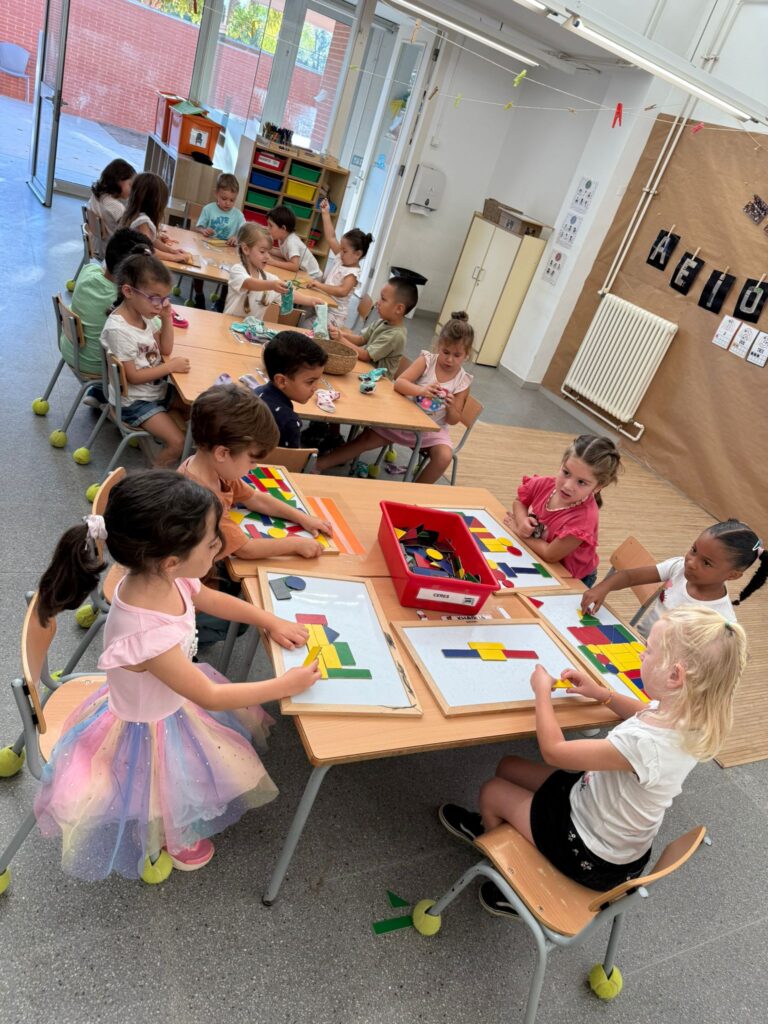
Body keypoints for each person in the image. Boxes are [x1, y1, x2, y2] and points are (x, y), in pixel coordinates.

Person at [33, 471, 320, 881]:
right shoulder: (149, 634)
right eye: (212, 541)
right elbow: (210, 696)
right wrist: (285, 686)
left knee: (185, 775)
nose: (219, 545)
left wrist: (268, 620)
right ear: (171, 560)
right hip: (147, 727)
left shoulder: (165, 576)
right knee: (162, 788)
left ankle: (172, 826)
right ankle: (171, 836)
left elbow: (208, 597)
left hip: (168, 703)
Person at [438, 607, 747, 916]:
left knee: (492, 791)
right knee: (508, 765)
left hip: (590, 853)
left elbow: (554, 750)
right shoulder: (688, 713)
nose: (642, 654)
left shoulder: (645, 745)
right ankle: (502, 825)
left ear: (675, 675)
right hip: (601, 816)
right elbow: (642, 711)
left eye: (649, 649)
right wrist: (601, 694)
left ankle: (508, 878)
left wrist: (541, 692)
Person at [179, 382, 331, 560]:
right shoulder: (203, 502)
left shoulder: (215, 469)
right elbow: (246, 550)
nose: (254, 467)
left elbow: (255, 499)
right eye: (251, 460)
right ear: (222, 453)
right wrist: (296, 544)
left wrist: (302, 518)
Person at [316, 312, 474, 483]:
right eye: (446, 352)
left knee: (444, 456)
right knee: (366, 439)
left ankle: (413, 493)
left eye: (457, 355)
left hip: (432, 430)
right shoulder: (427, 361)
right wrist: (421, 390)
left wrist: (451, 407)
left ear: (466, 355)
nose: (449, 359)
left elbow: (453, 420)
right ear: (438, 346)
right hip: (404, 419)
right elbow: (400, 384)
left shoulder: (463, 381)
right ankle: (319, 465)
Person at [581, 519, 768, 637]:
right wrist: (603, 588)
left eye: (706, 563)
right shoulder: (678, 567)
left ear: (733, 575)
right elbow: (629, 576)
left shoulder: (721, 621)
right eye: (694, 550)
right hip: (637, 643)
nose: (691, 562)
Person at [101, 251, 189, 467]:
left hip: (154, 391)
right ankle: (153, 479)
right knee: (178, 442)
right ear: (128, 291)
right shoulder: (119, 330)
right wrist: (170, 367)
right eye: (155, 298)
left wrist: (166, 319)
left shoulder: (143, 316)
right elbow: (133, 376)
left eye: (165, 299)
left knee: (198, 410)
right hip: (134, 402)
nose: (160, 305)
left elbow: (166, 348)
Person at [504, 434, 622, 587]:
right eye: (566, 473)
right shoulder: (545, 484)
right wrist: (521, 521)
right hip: (537, 556)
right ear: (562, 464)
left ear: (598, 487)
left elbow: (550, 555)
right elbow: (520, 501)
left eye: (581, 482)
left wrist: (518, 530)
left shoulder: (584, 519)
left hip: (571, 577)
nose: (567, 486)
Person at [62, 228, 152, 403]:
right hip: (100, 366)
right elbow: (158, 331)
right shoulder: (129, 303)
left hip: (71, 350)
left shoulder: (88, 271)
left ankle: (99, 393)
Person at [330, 277, 416, 380]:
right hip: (366, 372)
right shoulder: (382, 321)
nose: (378, 302)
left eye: (383, 299)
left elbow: (365, 356)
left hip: (378, 382)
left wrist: (340, 339)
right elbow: (361, 339)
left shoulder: (395, 335)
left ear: (399, 309)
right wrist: (341, 334)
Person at [256, 332, 328, 449]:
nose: (316, 387)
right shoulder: (289, 422)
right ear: (281, 381)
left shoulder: (256, 392)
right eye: (310, 382)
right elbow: (292, 458)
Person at [307, 199, 371, 327]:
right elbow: (331, 237)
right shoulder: (342, 258)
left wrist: (319, 285)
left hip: (334, 316)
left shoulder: (352, 273)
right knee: (301, 310)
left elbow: (342, 291)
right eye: (341, 249)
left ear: (357, 254)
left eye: (344, 250)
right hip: (324, 305)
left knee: (306, 325)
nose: (340, 253)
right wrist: (325, 213)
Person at [190, 172, 245, 310]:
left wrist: (237, 237)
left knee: (231, 274)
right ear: (216, 194)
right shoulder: (208, 209)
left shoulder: (238, 215)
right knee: (198, 269)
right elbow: (197, 227)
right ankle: (199, 296)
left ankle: (221, 301)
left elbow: (245, 232)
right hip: (207, 250)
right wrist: (203, 230)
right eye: (224, 198)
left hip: (227, 254)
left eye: (232, 200)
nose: (228, 203)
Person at [120, 172, 190, 261]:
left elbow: (153, 241)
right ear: (156, 201)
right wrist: (174, 257)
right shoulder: (143, 221)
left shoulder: (136, 215)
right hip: (125, 266)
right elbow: (146, 249)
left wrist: (172, 251)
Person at [224, 223, 289, 318]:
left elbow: (289, 292)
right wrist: (272, 285)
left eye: (269, 252)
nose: (267, 256)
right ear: (246, 249)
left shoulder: (270, 279)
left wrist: (311, 300)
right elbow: (249, 283)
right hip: (228, 325)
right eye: (262, 252)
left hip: (252, 328)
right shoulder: (237, 270)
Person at [266, 205, 321, 279]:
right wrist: (269, 250)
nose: (268, 228)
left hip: (313, 276)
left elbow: (294, 266)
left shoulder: (292, 242)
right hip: (303, 273)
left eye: (271, 226)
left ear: (283, 228)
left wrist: (273, 262)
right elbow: (285, 253)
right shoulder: (282, 238)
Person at [88, 158, 136, 240]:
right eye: (130, 185)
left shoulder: (96, 196)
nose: (132, 190)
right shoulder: (116, 207)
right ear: (118, 181)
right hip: (112, 245)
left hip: (97, 242)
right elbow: (130, 232)